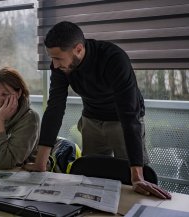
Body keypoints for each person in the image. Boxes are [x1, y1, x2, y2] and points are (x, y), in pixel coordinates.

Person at [23, 21, 171, 199]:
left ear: (78, 49)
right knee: (91, 179)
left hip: (122, 120)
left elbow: (129, 115)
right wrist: (41, 162)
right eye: (51, 58)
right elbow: (55, 107)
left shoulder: (114, 58)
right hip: (91, 119)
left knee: (132, 183)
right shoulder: (60, 67)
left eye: (58, 58)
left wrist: (138, 176)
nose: (54, 65)